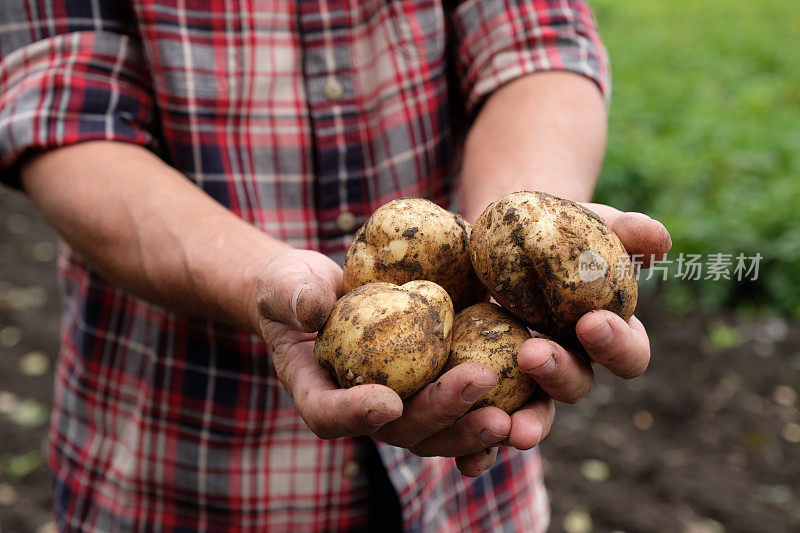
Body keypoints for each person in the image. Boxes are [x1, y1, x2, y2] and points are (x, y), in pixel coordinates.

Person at [0, 0, 671, 531]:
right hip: (181, 460)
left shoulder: (470, 305)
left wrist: (526, 221)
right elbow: (64, 114)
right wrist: (263, 278)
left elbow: (536, 39)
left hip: (469, 490)